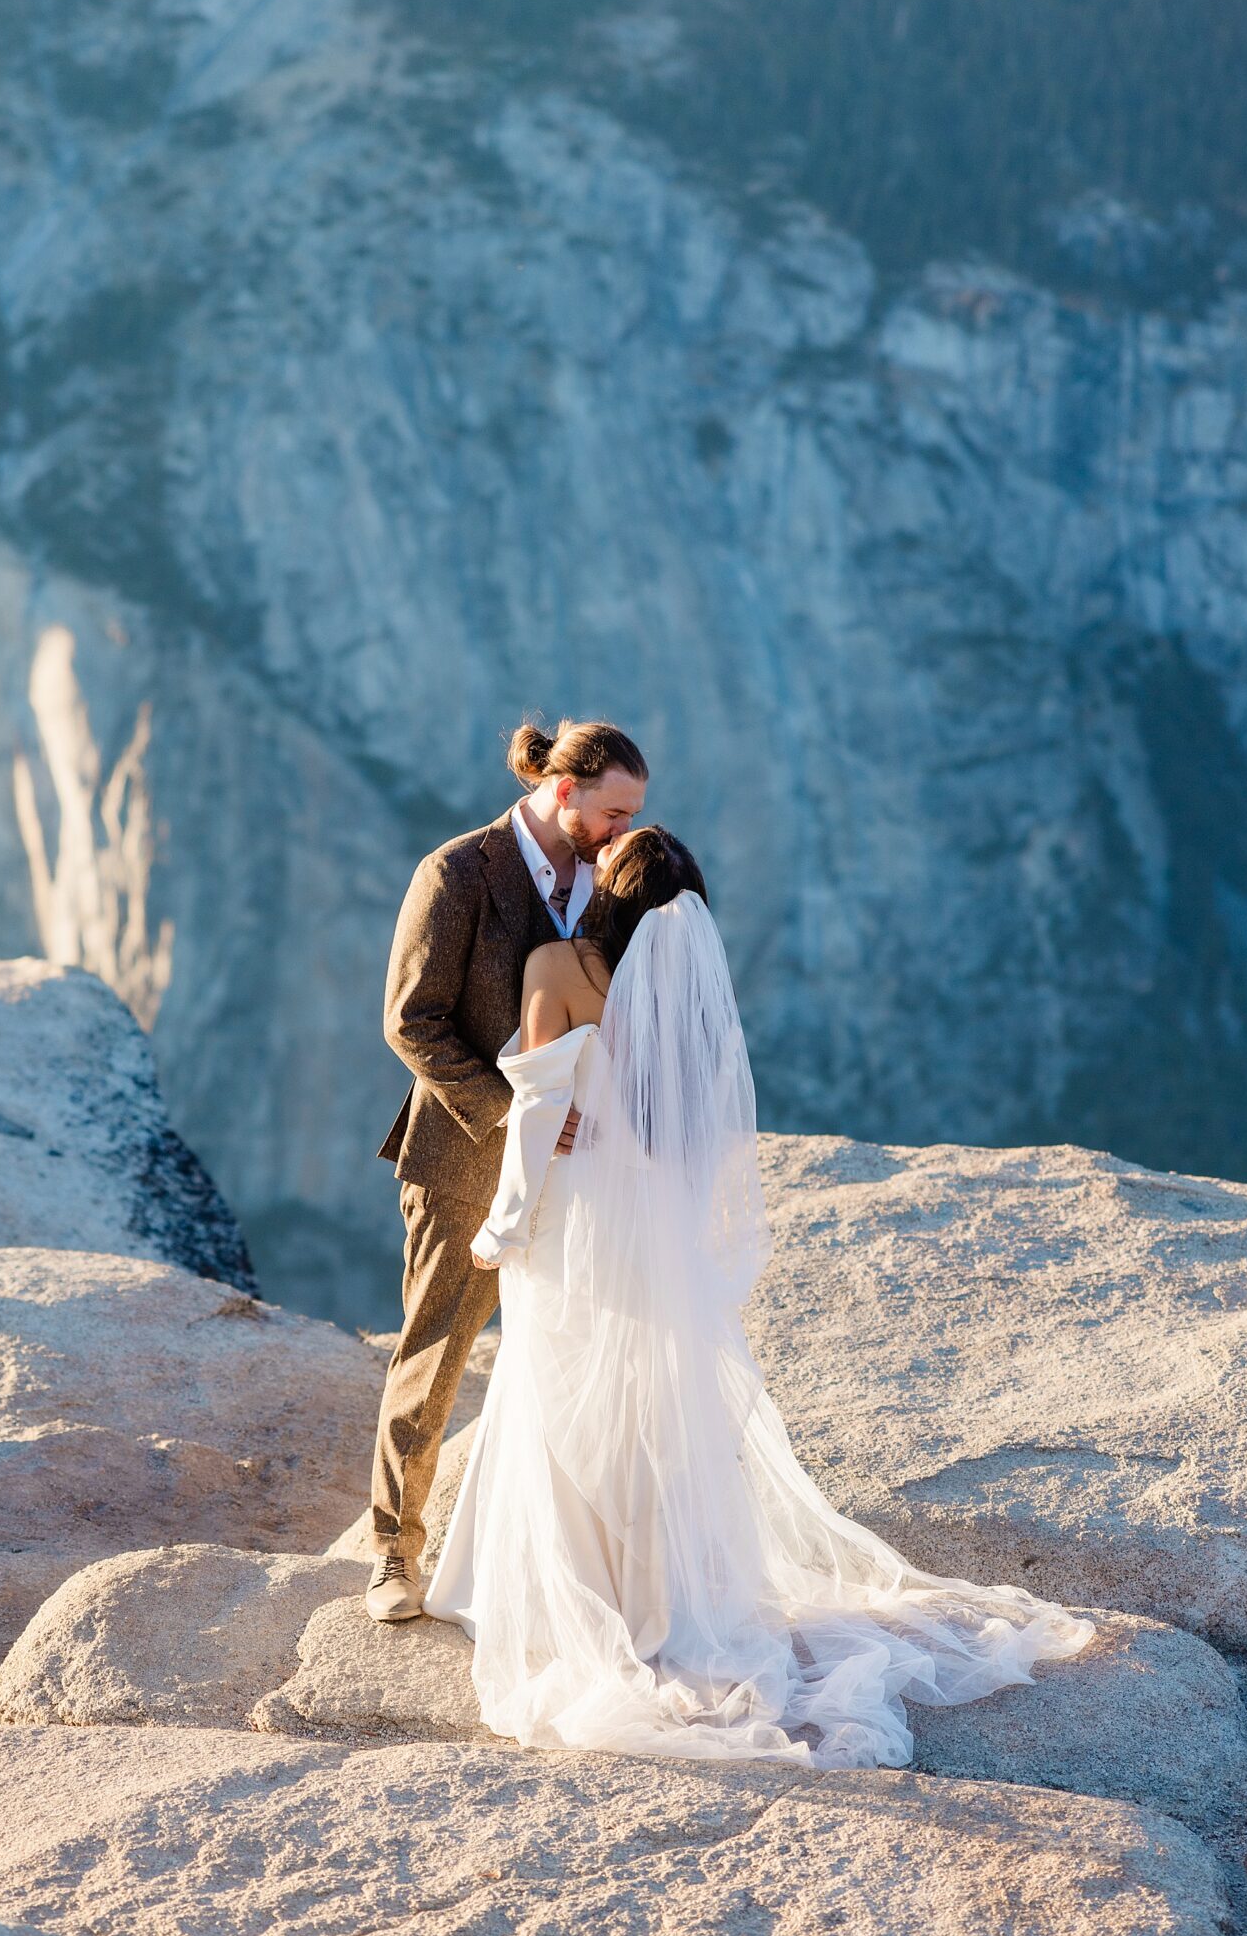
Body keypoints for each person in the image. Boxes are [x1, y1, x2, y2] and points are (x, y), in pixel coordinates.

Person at [425, 825, 1097, 1764]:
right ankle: (661, 1601)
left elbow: (539, 1116)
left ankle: (553, 1592)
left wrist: (502, 1228)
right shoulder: (682, 991)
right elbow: (695, 1136)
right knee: (648, 1408)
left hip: (575, 1220)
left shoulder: (556, 966)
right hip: (651, 1217)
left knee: (557, 1392)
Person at [365, 717, 649, 1623]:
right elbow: (411, 1023)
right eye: (612, 811)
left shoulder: (612, 873)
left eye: (632, 815)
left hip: (585, 1176)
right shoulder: (456, 872)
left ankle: (579, 1568)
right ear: (562, 790)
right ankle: (392, 1557)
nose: (622, 830)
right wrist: (519, 1113)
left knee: (584, 1358)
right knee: (434, 1360)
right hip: (461, 1162)